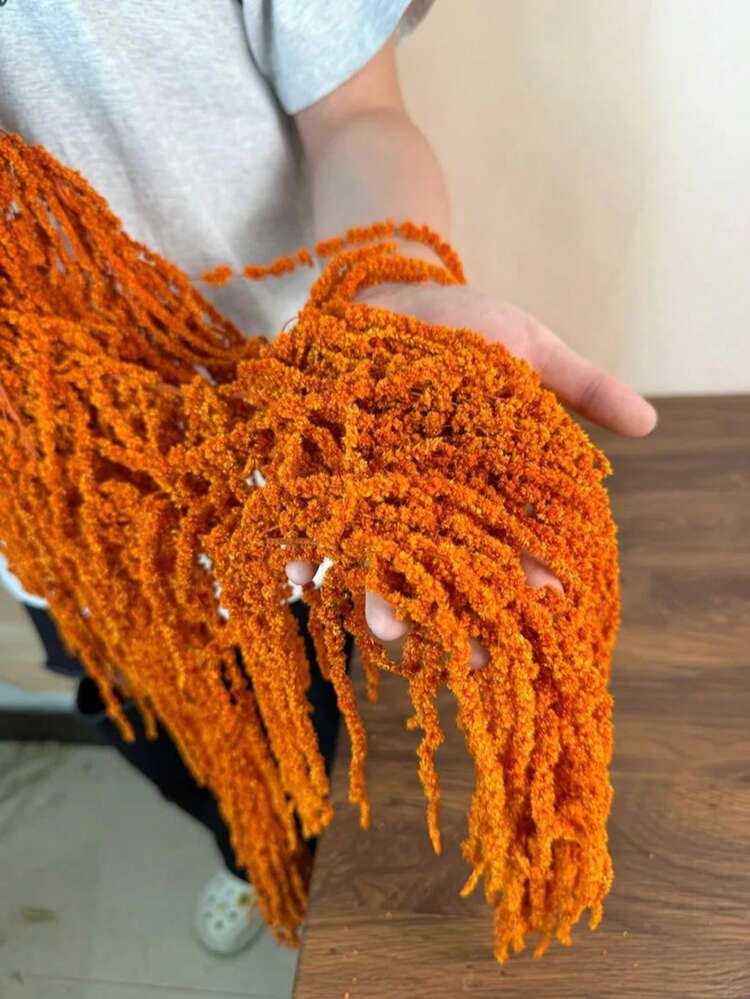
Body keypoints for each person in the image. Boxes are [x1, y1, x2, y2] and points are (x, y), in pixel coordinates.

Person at [0, 0, 657, 958]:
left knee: (307, 705)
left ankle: (303, 840)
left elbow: (359, 114)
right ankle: (247, 847)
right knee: (142, 715)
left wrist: (390, 287)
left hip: (306, 455)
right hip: (63, 518)